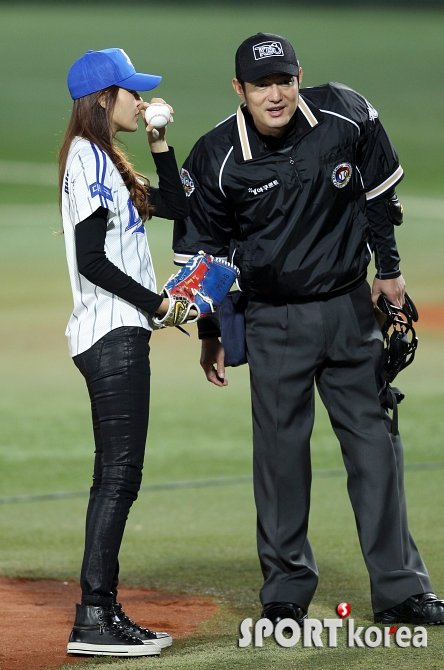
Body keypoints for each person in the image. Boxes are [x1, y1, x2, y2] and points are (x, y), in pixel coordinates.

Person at [173, 33, 444, 626]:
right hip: (273, 319)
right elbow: (202, 258)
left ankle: (401, 589)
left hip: (350, 309)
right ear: (239, 89)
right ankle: (286, 591)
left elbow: (379, 196)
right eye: (261, 85)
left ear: (300, 77)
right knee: (280, 458)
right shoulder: (216, 156)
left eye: (284, 81)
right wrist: (213, 331)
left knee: (376, 446)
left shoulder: (345, 112)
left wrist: (389, 271)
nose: (275, 95)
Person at [58, 47, 189, 657]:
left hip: (119, 331)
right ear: (103, 98)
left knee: (119, 475)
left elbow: (178, 207)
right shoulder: (87, 157)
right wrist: (156, 302)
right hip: (112, 333)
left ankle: (103, 609)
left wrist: (160, 144)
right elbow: (91, 260)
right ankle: (94, 615)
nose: (141, 101)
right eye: (132, 92)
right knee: (117, 476)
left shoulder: (107, 158)